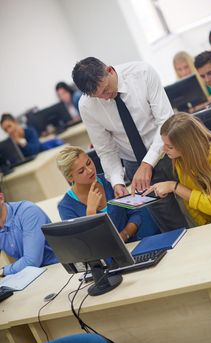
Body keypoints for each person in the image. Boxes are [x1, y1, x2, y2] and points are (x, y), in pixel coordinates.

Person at [72, 57, 189, 232]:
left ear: (110, 70)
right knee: (173, 228)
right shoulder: (87, 105)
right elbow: (106, 150)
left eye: (106, 89)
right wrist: (117, 182)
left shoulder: (142, 73)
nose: (105, 97)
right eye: (98, 96)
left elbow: (166, 123)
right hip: (135, 167)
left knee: (196, 208)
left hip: (171, 152)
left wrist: (147, 163)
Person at [143, 113, 211, 226]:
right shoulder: (180, 159)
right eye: (164, 144)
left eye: (170, 146)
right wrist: (205, 227)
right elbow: (191, 205)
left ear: (187, 145)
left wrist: (174, 186)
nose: (163, 149)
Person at [56, 146, 160, 242]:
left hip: (134, 243)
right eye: (81, 171)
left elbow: (136, 213)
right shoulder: (66, 207)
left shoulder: (111, 181)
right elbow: (83, 244)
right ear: (70, 178)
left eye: (88, 163)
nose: (90, 170)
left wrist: (124, 235)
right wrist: (91, 213)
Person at [0, 193, 58, 277]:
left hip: (56, 269)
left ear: (1, 198)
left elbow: (32, 261)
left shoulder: (28, 211)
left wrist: (3, 271)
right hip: (27, 275)